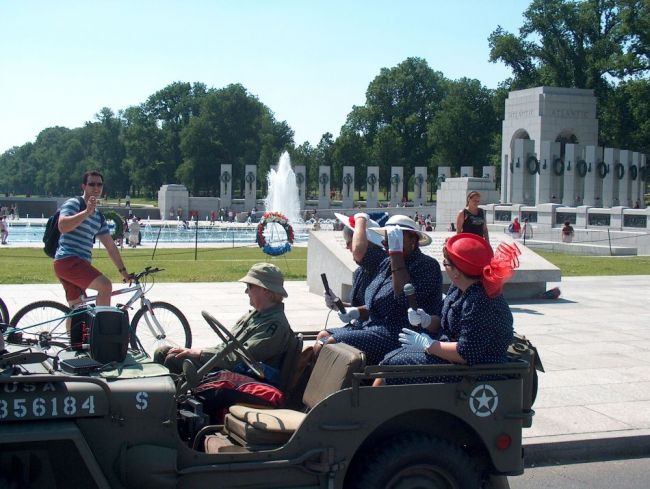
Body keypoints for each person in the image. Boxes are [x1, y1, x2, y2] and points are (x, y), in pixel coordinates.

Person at [374, 233, 520, 386]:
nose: (444, 266)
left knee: (391, 368)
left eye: (446, 263)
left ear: (457, 272)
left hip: (477, 372)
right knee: (389, 361)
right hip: (455, 363)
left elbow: (466, 353)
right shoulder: (459, 288)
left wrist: (429, 345)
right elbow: (446, 324)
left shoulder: (480, 301)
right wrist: (427, 321)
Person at [314, 215, 443, 365]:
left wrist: (396, 255)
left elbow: (402, 297)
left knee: (330, 344)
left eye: (395, 238)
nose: (387, 243)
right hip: (374, 327)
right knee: (323, 337)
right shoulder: (386, 263)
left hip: (400, 334)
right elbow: (376, 304)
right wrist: (355, 311)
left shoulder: (426, 266)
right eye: (387, 238)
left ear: (413, 240)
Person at [155, 263, 294, 382]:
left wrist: (200, 353)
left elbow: (239, 359)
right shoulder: (255, 315)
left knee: (173, 359)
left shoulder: (274, 325)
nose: (246, 291)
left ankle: (167, 408)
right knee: (162, 352)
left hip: (243, 377)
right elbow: (226, 347)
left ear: (266, 291)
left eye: (250, 286)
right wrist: (198, 353)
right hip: (228, 366)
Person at [54, 170, 131, 309]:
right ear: (83, 186)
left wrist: (123, 271)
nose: (96, 188)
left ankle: (73, 332)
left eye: (99, 185)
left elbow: (110, 246)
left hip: (77, 263)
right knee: (105, 286)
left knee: (78, 308)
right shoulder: (74, 204)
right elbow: (62, 226)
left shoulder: (98, 217)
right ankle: (102, 329)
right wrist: (86, 212)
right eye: (92, 184)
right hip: (69, 260)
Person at [321, 213, 387, 318]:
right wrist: (337, 304)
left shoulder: (384, 266)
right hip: (364, 325)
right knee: (323, 334)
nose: (347, 246)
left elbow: (376, 309)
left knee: (325, 335)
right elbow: (358, 307)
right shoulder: (359, 272)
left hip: (378, 326)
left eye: (350, 240)